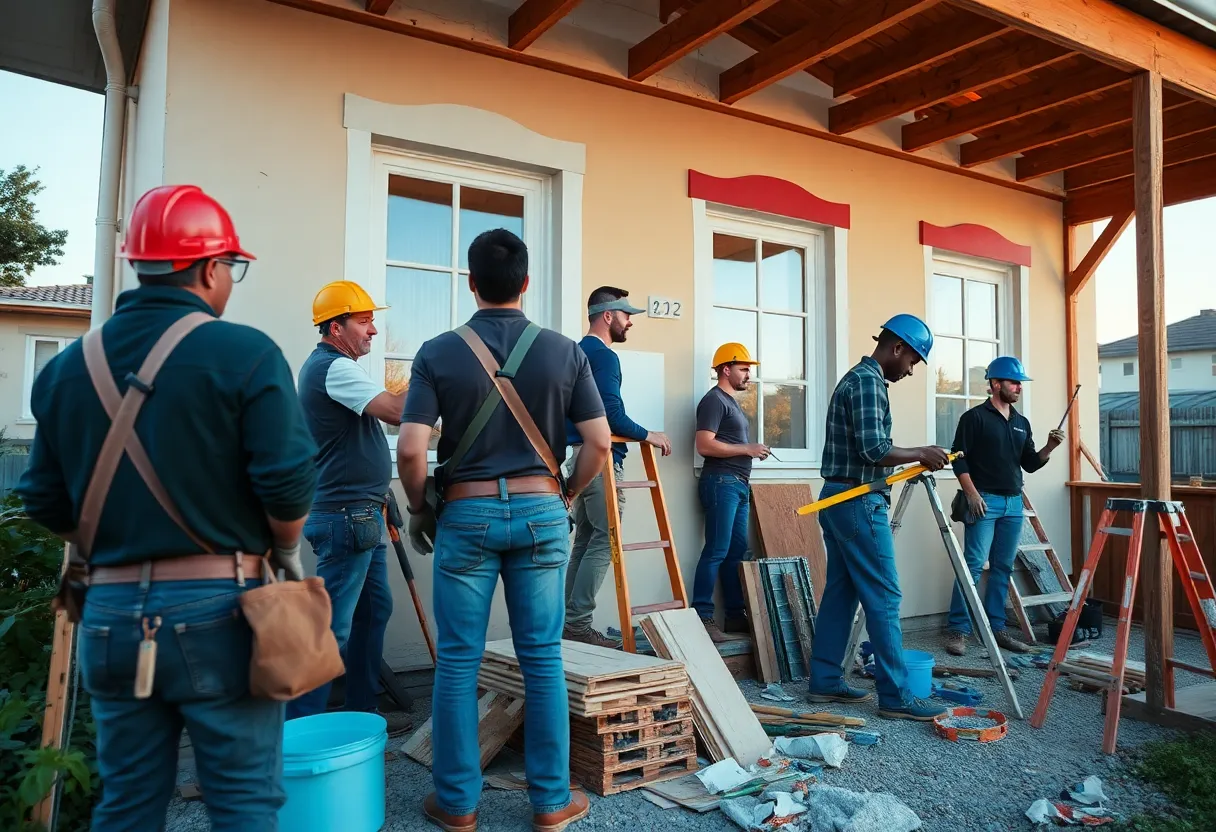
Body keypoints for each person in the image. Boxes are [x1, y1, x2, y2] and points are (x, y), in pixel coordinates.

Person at [15, 184, 319, 830]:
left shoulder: (68, 368)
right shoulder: (244, 353)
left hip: (110, 614)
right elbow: (288, 484)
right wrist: (286, 548)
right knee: (243, 804)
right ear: (211, 268)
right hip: (221, 611)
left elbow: (41, 497)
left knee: (127, 805)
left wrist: (112, 534)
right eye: (231, 268)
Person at [397, 228, 610, 832]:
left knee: (458, 662)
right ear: (525, 283)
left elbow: (412, 451)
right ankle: (549, 804)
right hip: (543, 510)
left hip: (464, 514)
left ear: (470, 283)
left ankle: (457, 806)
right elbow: (596, 442)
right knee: (542, 658)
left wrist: (419, 508)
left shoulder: (438, 351)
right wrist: (565, 490)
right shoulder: (566, 351)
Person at [806, 314, 952, 721]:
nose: (911, 370)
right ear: (897, 347)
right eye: (913, 361)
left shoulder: (857, 379)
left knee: (841, 592)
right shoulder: (868, 382)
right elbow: (874, 449)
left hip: (838, 498)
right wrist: (921, 452)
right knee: (885, 596)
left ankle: (825, 681)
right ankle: (896, 695)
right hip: (857, 500)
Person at [288, 280, 412, 734]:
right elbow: (396, 411)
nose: (374, 330)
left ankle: (362, 714)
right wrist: (439, 378)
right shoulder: (333, 368)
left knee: (373, 610)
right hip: (346, 517)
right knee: (329, 629)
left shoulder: (337, 368)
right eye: (364, 321)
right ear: (335, 327)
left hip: (361, 516)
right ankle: (296, 734)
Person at [562, 286, 672, 648]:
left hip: (577, 455)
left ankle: (571, 622)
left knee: (587, 540)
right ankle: (578, 626)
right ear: (607, 316)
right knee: (605, 540)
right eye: (626, 315)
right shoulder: (605, 357)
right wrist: (648, 434)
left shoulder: (576, 353)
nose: (630, 323)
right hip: (600, 459)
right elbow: (610, 416)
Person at [943, 356, 1064, 656]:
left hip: (1013, 504)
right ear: (995, 384)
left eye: (1020, 383)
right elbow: (959, 458)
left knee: (1002, 567)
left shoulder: (1021, 423)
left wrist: (1049, 447)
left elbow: (1030, 464)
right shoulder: (973, 418)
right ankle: (958, 630)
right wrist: (971, 494)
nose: (1019, 387)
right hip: (984, 502)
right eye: (1013, 382)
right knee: (971, 566)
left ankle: (996, 629)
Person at [693, 342, 770, 644]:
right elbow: (704, 445)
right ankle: (703, 616)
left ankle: (735, 615)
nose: (748, 374)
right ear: (726, 369)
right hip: (721, 483)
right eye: (744, 368)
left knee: (736, 552)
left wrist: (750, 451)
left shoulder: (732, 403)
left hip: (737, 484)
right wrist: (748, 449)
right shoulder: (714, 401)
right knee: (716, 550)